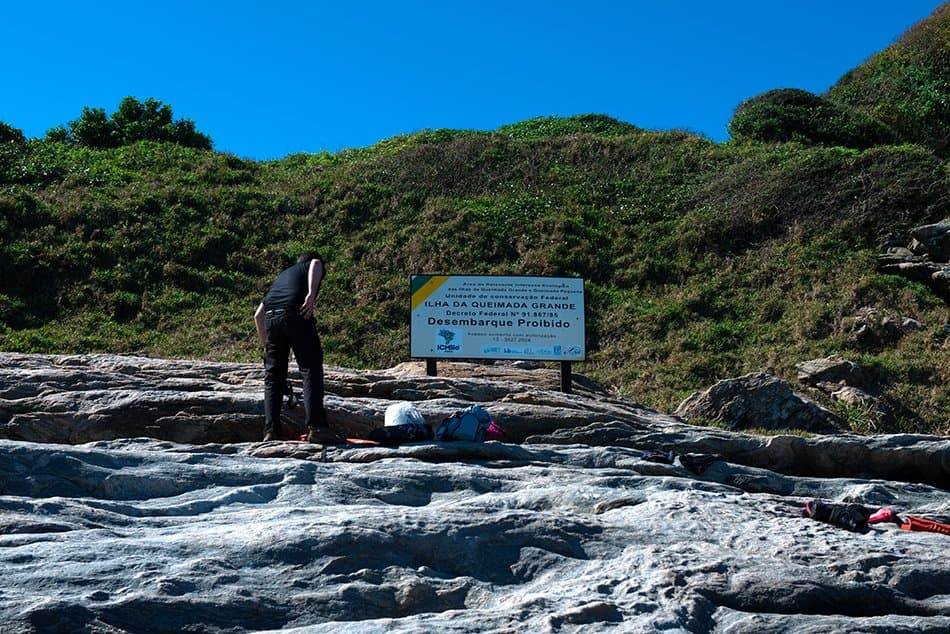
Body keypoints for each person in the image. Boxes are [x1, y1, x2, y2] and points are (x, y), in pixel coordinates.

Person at [255, 253, 339, 443]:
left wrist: (267, 346)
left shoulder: (283, 276)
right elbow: (317, 263)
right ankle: (317, 428)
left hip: (271, 318)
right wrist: (310, 294)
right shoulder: (312, 264)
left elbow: (258, 315)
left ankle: (271, 431)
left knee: (273, 378)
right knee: (311, 368)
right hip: (295, 312)